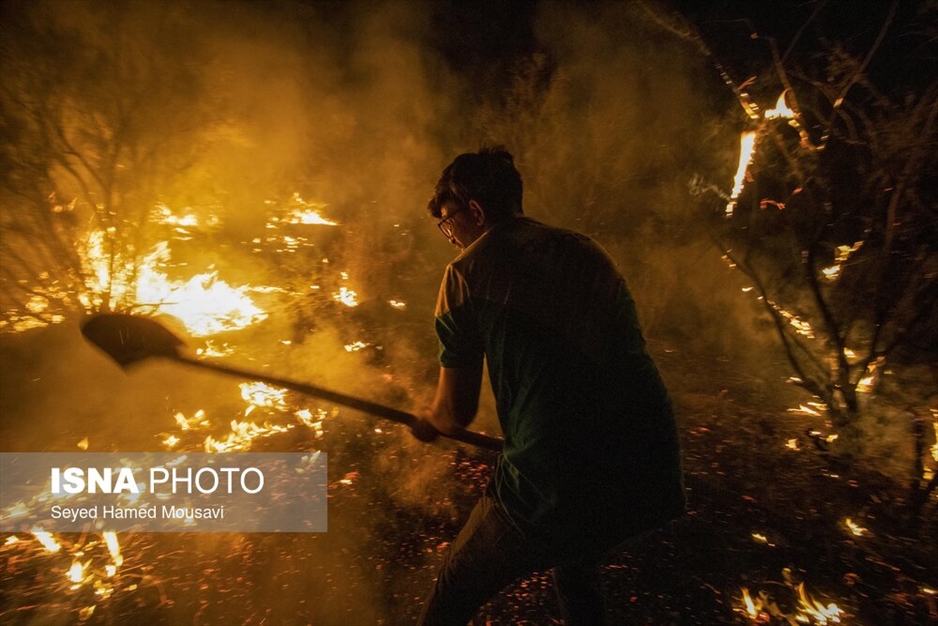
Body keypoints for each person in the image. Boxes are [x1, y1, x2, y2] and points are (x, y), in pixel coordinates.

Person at [412, 146, 685, 625]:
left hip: (555, 479)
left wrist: (429, 420)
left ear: (475, 210)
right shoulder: (587, 250)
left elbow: (455, 413)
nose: (448, 234)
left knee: (454, 590)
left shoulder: (464, 274)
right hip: (649, 468)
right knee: (576, 565)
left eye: (448, 220)